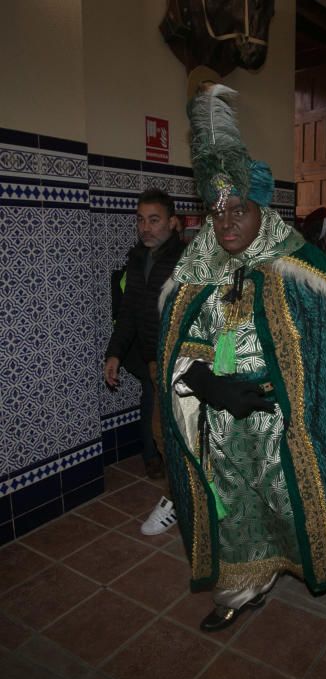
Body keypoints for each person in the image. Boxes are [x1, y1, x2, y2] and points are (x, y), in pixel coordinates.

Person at [157, 84, 326, 632]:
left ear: (263, 209)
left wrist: (289, 393)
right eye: (217, 215)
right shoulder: (198, 268)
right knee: (233, 504)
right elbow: (181, 344)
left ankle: (290, 563)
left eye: (238, 210)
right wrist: (203, 382)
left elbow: (325, 357)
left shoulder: (301, 269)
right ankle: (241, 587)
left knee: (287, 503)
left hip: (284, 421)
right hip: (219, 416)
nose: (227, 225)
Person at [104, 188, 185, 535]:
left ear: (173, 223)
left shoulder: (187, 260)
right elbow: (129, 315)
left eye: (154, 220)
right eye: (140, 220)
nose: (146, 228)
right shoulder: (137, 259)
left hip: (185, 363)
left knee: (180, 434)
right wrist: (115, 353)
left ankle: (183, 499)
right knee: (162, 433)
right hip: (156, 363)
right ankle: (182, 497)